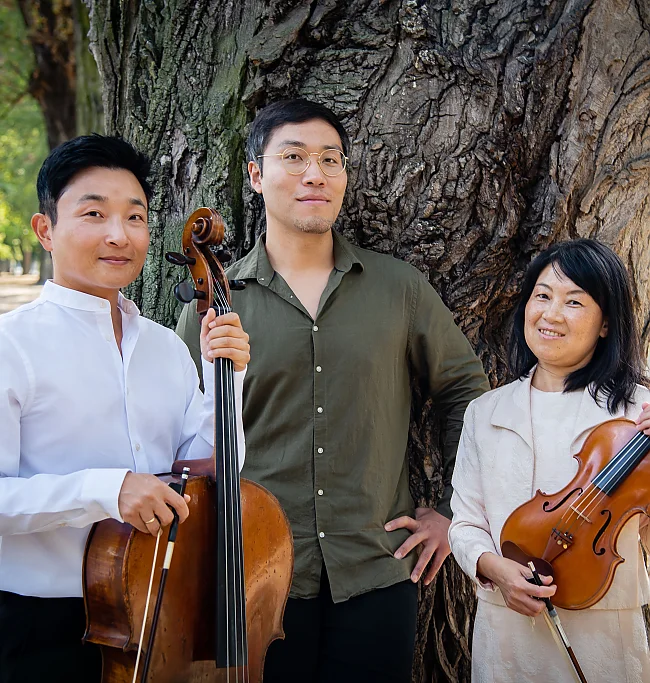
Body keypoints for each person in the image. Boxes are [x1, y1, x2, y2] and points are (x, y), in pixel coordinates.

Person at [176, 98, 489, 682]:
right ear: (255, 174)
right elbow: (178, 440)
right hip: (254, 579)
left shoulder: (399, 289)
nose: (314, 174)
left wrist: (455, 512)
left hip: (376, 571)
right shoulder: (211, 309)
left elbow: (466, 392)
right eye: (293, 157)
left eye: (330, 159)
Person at [0, 134, 250, 683]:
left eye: (134, 217)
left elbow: (207, 465)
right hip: (41, 628)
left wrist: (225, 377)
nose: (119, 235)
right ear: (46, 229)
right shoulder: (10, 346)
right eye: (94, 213)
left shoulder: (165, 346)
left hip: (161, 610)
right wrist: (105, 488)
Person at [448, 239, 650, 682]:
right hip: (505, 631)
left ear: (606, 324)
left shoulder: (638, 414)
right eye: (542, 296)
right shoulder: (485, 412)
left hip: (605, 634)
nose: (551, 314)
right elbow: (464, 523)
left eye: (574, 301)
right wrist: (493, 568)